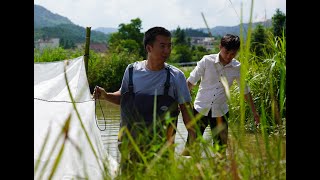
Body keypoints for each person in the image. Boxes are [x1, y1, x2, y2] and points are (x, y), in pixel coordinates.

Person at [93, 26, 196, 173]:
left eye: (169, 46)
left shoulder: (176, 76)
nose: (167, 50)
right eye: (162, 46)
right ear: (149, 47)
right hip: (130, 148)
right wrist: (105, 95)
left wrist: (191, 144)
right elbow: (123, 99)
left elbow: (188, 114)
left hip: (161, 151)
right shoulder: (131, 71)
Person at [182, 34, 260, 156]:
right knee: (191, 149)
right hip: (199, 109)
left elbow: (245, 91)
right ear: (220, 47)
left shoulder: (237, 67)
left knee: (220, 152)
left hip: (220, 112)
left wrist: (254, 112)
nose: (229, 56)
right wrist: (181, 103)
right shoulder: (207, 61)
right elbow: (191, 82)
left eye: (233, 54)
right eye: (226, 52)